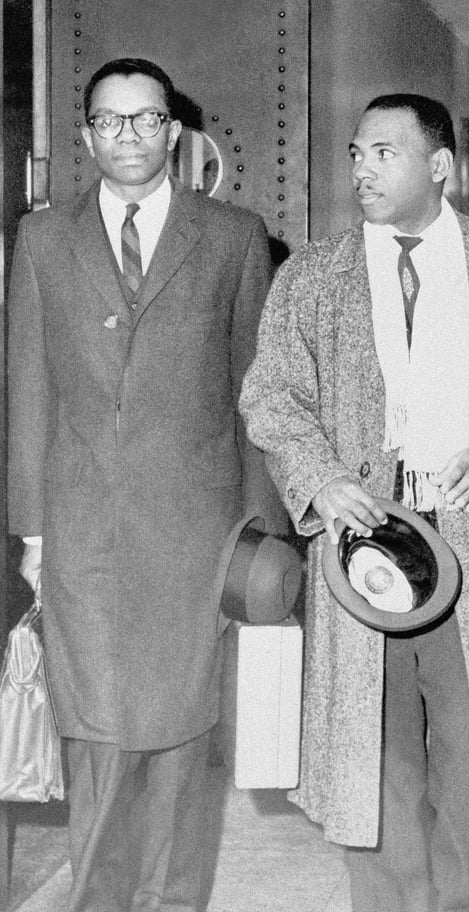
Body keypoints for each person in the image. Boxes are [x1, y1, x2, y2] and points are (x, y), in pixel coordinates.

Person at [239, 93, 469, 911]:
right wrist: (322, 478)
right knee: (374, 759)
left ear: (441, 166)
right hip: (362, 546)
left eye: (384, 153)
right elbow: (272, 397)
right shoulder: (312, 275)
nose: (361, 168)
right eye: (357, 152)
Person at [7, 57, 276, 912]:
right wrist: (32, 537)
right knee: (94, 737)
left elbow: (255, 394)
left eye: (147, 119)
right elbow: (28, 390)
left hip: (196, 537)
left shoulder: (233, 237)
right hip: (80, 533)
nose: (129, 136)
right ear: (87, 135)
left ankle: (170, 902)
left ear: (176, 130)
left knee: (180, 738)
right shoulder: (43, 239)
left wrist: (259, 547)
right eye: (111, 120)